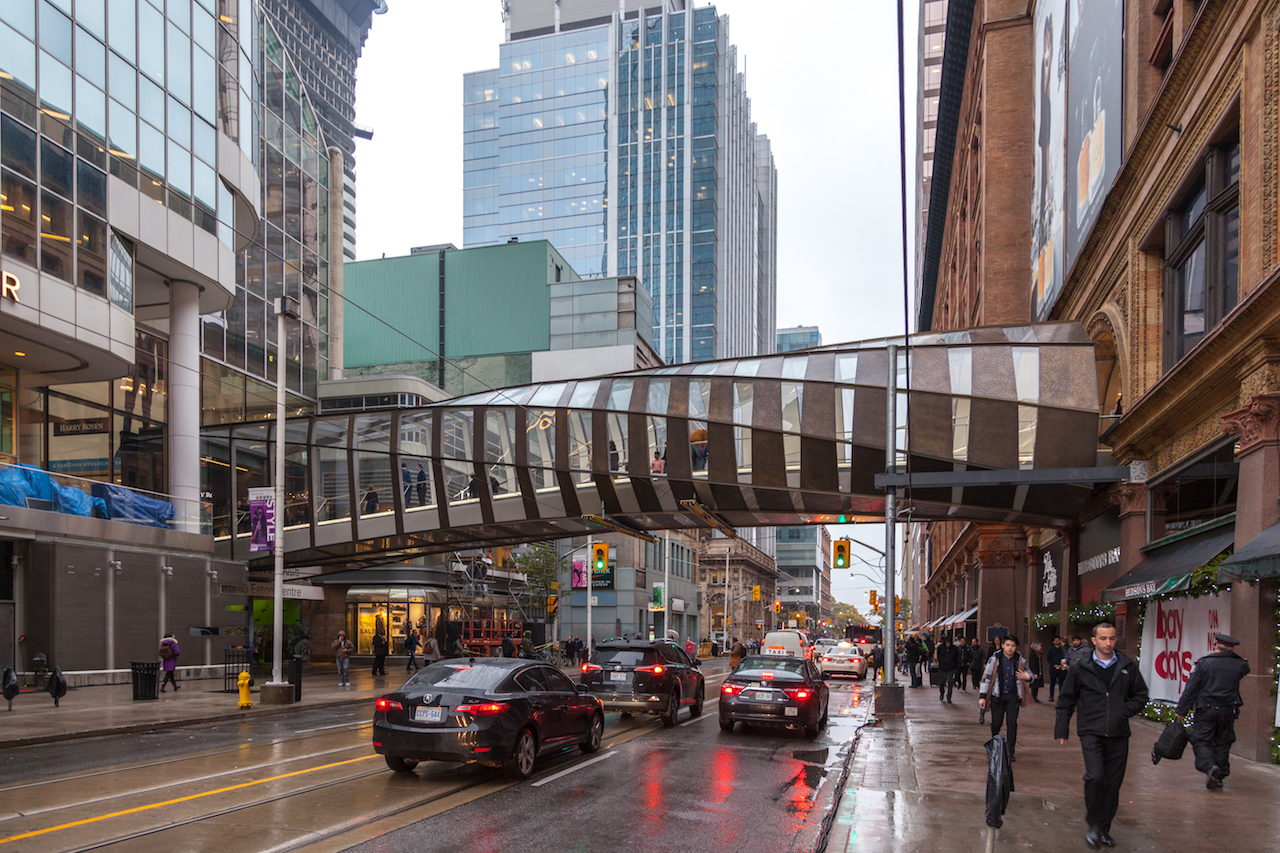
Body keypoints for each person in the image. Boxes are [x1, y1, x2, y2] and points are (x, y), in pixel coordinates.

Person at [1055, 622, 1149, 850]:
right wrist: (1062, 729)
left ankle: (1104, 828)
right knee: (1095, 777)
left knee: (1112, 784)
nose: (1109, 643)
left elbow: (1141, 695)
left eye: (1112, 638)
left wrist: (1123, 711)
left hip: (1118, 733)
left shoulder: (1127, 666)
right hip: (1091, 731)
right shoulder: (1081, 668)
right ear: (1094, 641)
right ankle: (1094, 823)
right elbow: (1066, 699)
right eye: (1104, 638)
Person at [1175, 633, 1250, 790]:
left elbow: (1191, 689)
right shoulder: (1239, 664)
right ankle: (1220, 776)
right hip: (1228, 710)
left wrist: (1182, 710)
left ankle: (1210, 767)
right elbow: (1245, 668)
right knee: (1223, 742)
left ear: (1215, 646)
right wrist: (1231, 655)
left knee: (1200, 740)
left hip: (1206, 710)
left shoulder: (1204, 664)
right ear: (1231, 649)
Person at [979, 635, 1033, 759]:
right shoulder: (995, 659)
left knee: (1012, 724)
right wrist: (982, 696)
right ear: (1002, 645)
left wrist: (1028, 677)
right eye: (1007, 645)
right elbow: (986, 678)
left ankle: (1010, 752)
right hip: (997, 696)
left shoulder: (1020, 660)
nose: (1010, 648)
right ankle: (995, 748)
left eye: (1013, 646)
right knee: (996, 724)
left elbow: (1030, 674)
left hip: (1013, 696)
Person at [936, 636, 960, 703]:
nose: (948, 644)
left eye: (949, 643)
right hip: (942, 667)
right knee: (941, 682)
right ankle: (942, 693)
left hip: (951, 668)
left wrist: (955, 665)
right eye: (947, 643)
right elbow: (938, 656)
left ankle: (949, 696)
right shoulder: (940, 648)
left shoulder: (954, 649)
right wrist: (940, 662)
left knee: (950, 682)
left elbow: (957, 657)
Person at [1047, 636, 1068, 700]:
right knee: (1052, 682)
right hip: (1053, 668)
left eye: (1058, 640)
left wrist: (1061, 665)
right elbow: (1049, 659)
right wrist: (1054, 665)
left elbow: (1065, 658)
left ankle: (1061, 696)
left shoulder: (1063, 649)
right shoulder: (1050, 650)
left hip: (1061, 668)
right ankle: (1051, 696)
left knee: (1061, 683)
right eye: (1055, 640)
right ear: (1053, 642)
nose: (1057, 641)